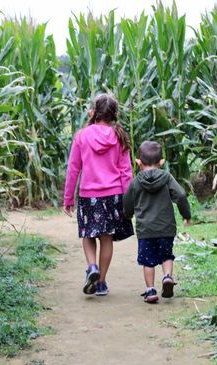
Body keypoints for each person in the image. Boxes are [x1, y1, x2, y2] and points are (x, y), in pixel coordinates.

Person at [63, 93, 134, 296]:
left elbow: (73, 169)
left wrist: (68, 198)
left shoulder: (81, 136)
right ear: (114, 114)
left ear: (93, 113)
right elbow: (126, 172)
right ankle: (101, 281)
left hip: (89, 196)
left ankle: (92, 266)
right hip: (113, 196)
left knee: (88, 234)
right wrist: (128, 201)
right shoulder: (119, 136)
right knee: (106, 238)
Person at [123, 141, 191, 303]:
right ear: (162, 162)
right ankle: (167, 277)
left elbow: (127, 201)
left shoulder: (136, 182)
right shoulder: (167, 178)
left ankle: (151, 290)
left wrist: (128, 214)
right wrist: (186, 214)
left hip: (145, 230)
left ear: (138, 162)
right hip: (166, 228)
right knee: (166, 255)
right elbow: (181, 195)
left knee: (148, 261)